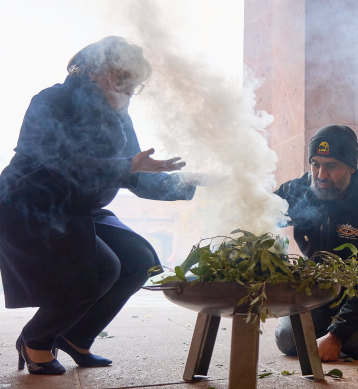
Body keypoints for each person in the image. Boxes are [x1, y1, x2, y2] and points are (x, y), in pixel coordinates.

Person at [0, 36, 212, 375]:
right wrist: (126, 166)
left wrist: (193, 183)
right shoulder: (51, 100)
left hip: (79, 208)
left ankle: (76, 337)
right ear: (95, 69)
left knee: (139, 261)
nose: (128, 89)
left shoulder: (120, 116)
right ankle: (36, 340)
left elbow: (139, 175)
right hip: (34, 204)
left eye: (134, 84)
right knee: (101, 268)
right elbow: (59, 161)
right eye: (123, 78)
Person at [274, 124, 358, 362]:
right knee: (288, 340)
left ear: (351, 167)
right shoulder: (297, 190)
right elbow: (263, 211)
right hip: (321, 279)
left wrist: (336, 336)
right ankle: (331, 319)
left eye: (331, 166)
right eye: (316, 164)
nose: (321, 175)